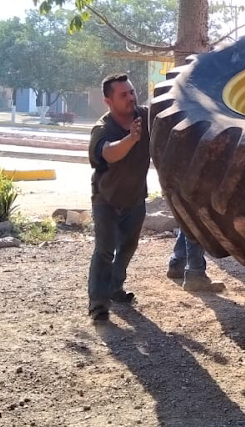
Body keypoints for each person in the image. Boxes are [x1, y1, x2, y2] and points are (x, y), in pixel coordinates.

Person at [87, 73, 149, 322]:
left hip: (135, 198)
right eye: (123, 95)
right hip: (106, 200)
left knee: (128, 247)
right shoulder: (102, 128)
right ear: (108, 101)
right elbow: (109, 154)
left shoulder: (145, 117)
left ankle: (115, 288)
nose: (131, 97)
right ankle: (98, 305)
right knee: (104, 251)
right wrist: (132, 139)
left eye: (132, 92)